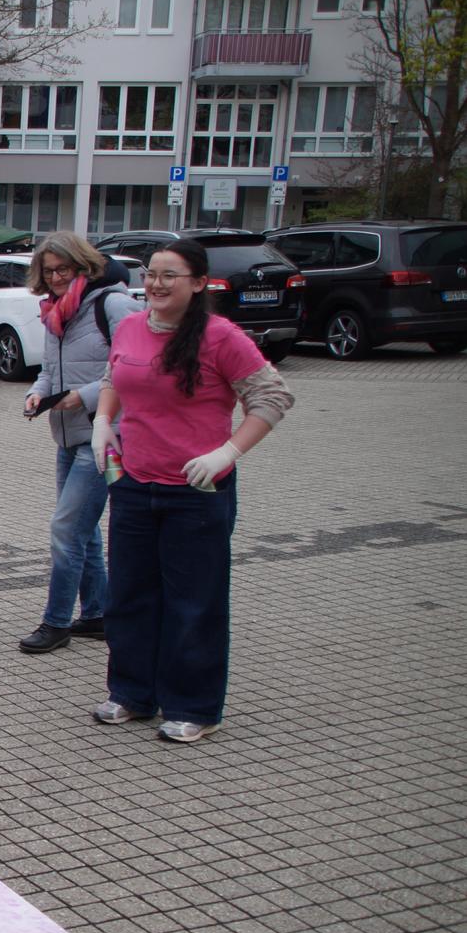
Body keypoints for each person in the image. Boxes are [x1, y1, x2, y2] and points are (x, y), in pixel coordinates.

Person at [91, 239, 294, 743]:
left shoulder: (221, 336)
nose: (156, 284)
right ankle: (133, 693)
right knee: (129, 595)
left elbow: (273, 396)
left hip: (197, 491)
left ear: (199, 283)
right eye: (151, 274)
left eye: (170, 276)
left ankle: (195, 707)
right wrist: (103, 421)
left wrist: (228, 452)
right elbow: (115, 374)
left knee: (193, 602)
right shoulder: (131, 326)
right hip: (134, 483)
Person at [18, 232, 143, 654]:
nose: (55, 278)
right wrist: (37, 393)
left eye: (64, 270)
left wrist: (85, 396)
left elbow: (135, 368)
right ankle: (96, 614)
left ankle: (56, 623)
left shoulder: (113, 305)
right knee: (83, 531)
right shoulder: (56, 311)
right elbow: (49, 371)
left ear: (83, 266)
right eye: (49, 271)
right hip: (68, 435)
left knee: (67, 529)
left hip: (107, 437)